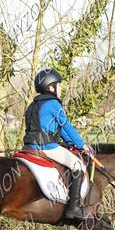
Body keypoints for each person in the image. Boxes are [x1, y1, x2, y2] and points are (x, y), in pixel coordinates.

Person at [23, 67, 93, 220]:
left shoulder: (32, 105)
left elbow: (60, 130)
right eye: (59, 85)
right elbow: (66, 126)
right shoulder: (53, 104)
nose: (61, 88)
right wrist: (82, 145)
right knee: (77, 165)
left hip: (28, 148)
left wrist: (71, 143)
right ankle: (73, 209)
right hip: (47, 147)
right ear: (51, 87)